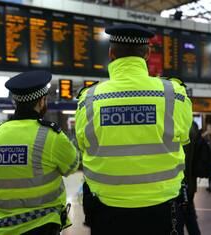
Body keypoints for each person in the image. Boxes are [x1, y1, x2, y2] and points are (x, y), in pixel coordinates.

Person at [75, 24, 192, 235]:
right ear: (147, 54)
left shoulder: (89, 99)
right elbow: (183, 136)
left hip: (107, 210)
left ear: (111, 53)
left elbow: (83, 144)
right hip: (162, 208)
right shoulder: (173, 93)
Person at [0, 70, 79, 235]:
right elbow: (72, 166)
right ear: (41, 101)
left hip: (2, 227)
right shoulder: (50, 135)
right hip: (41, 225)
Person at [183, 121, 201, 235]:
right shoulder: (193, 126)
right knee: (189, 214)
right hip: (190, 181)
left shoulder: (181, 126)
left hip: (181, 181)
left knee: (183, 216)